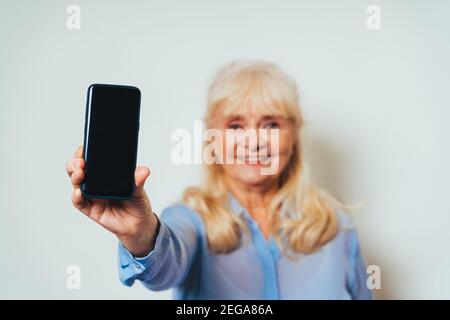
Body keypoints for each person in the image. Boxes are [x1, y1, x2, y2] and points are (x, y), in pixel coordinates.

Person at [66, 60, 372, 299]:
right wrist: (140, 233)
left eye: (271, 125)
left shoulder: (336, 226)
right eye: (236, 126)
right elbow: (163, 267)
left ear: (294, 135)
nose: (254, 142)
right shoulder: (189, 221)